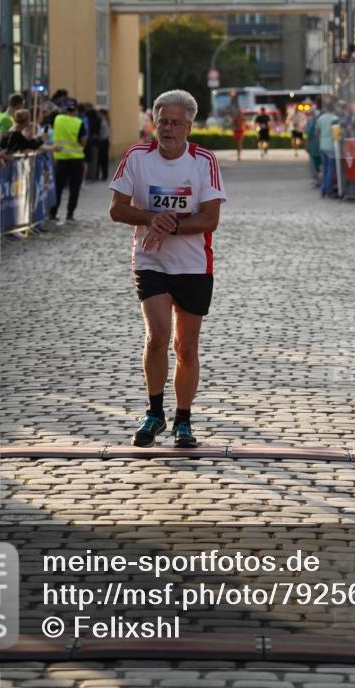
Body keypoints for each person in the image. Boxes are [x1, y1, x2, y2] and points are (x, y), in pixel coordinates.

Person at [109, 89, 226, 449]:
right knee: (158, 336)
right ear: (154, 123)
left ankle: (184, 420)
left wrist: (171, 225)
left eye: (176, 123)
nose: (168, 129)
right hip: (151, 261)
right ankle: (154, 412)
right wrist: (151, 218)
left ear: (189, 126)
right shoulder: (137, 156)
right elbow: (117, 209)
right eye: (162, 122)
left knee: (185, 346)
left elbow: (210, 219)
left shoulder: (203, 160)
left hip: (193, 264)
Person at [50, 98, 86, 221]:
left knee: (58, 188)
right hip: (76, 161)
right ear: (75, 110)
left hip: (60, 160)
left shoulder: (58, 119)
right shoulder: (79, 122)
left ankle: (53, 213)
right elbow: (83, 142)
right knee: (74, 189)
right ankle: (70, 214)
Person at [316, 100, 339, 197]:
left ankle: (323, 189)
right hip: (331, 145)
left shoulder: (320, 118)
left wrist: (320, 141)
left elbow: (317, 132)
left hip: (323, 145)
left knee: (324, 168)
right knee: (331, 169)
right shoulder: (335, 118)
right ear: (334, 108)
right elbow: (337, 134)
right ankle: (328, 189)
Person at [97, 108, 111, 180]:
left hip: (103, 142)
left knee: (103, 159)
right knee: (104, 159)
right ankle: (104, 175)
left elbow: (101, 133)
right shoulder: (106, 121)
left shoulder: (103, 122)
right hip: (105, 141)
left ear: (103, 114)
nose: (98, 115)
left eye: (99, 114)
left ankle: (104, 176)